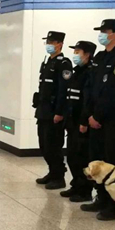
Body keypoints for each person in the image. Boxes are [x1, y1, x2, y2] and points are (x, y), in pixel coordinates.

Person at [81, 19, 115, 221]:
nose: (102, 34)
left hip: (114, 119)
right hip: (95, 119)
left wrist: (98, 116)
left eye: (105, 31)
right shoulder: (100, 57)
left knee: (114, 162)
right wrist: (89, 115)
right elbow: (90, 87)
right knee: (97, 159)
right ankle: (101, 198)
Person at [33, 31, 72, 190]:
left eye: (51, 42)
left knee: (53, 144)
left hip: (54, 111)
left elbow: (63, 90)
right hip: (43, 109)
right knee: (43, 144)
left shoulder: (64, 64)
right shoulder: (48, 62)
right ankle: (52, 171)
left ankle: (59, 176)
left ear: (59, 44)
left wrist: (59, 112)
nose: (48, 45)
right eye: (47, 42)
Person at [59, 41, 96, 202]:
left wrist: (84, 121)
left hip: (81, 122)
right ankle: (76, 185)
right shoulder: (77, 71)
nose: (75, 54)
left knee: (82, 157)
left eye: (77, 52)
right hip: (72, 120)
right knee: (72, 156)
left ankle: (85, 190)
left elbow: (88, 100)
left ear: (87, 54)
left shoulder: (90, 73)